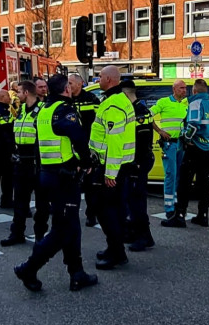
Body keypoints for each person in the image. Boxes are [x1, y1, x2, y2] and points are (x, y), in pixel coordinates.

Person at [14, 74, 98, 292]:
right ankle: (29, 268)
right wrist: (86, 161)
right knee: (63, 229)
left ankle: (76, 272)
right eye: (69, 86)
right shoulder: (64, 110)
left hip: (49, 173)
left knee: (71, 225)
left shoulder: (44, 110)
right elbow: (77, 138)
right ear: (66, 90)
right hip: (64, 176)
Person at [164, 79, 209, 228]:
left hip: (194, 148)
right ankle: (203, 215)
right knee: (204, 182)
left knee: (184, 182)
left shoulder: (195, 104)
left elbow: (193, 124)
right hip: (207, 149)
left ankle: (179, 216)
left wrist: (187, 139)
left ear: (194, 91)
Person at [90, 66, 136, 270]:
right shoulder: (115, 100)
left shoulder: (114, 104)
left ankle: (117, 252)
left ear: (108, 79)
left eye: (100, 77)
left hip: (111, 167)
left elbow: (115, 141)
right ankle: (114, 249)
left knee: (106, 211)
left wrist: (110, 173)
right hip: (115, 165)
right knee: (112, 210)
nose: (98, 79)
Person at [1, 80, 48, 246]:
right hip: (21, 161)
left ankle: (40, 237)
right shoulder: (21, 111)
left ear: (26, 93)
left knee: (41, 204)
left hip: (36, 162)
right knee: (20, 201)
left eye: (19, 92)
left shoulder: (42, 111)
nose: (16, 95)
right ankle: (17, 234)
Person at [123, 80, 156, 252]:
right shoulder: (135, 110)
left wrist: (136, 164)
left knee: (137, 202)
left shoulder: (139, 112)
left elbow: (143, 142)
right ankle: (139, 234)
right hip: (135, 162)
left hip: (138, 162)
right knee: (131, 199)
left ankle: (144, 237)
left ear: (126, 94)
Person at [151, 80, 188, 219]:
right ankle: (169, 207)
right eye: (181, 88)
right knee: (171, 175)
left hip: (181, 144)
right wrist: (160, 131)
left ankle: (175, 203)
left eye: (185, 88)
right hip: (169, 144)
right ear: (174, 89)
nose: (184, 90)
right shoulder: (163, 102)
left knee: (178, 175)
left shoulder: (186, 104)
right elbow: (149, 116)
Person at [69, 73, 102, 227]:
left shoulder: (91, 99)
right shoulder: (66, 100)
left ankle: (91, 214)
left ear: (79, 84)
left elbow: (98, 123)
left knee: (90, 186)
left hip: (87, 147)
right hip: (69, 148)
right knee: (71, 184)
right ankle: (70, 214)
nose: (68, 86)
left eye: (70, 83)